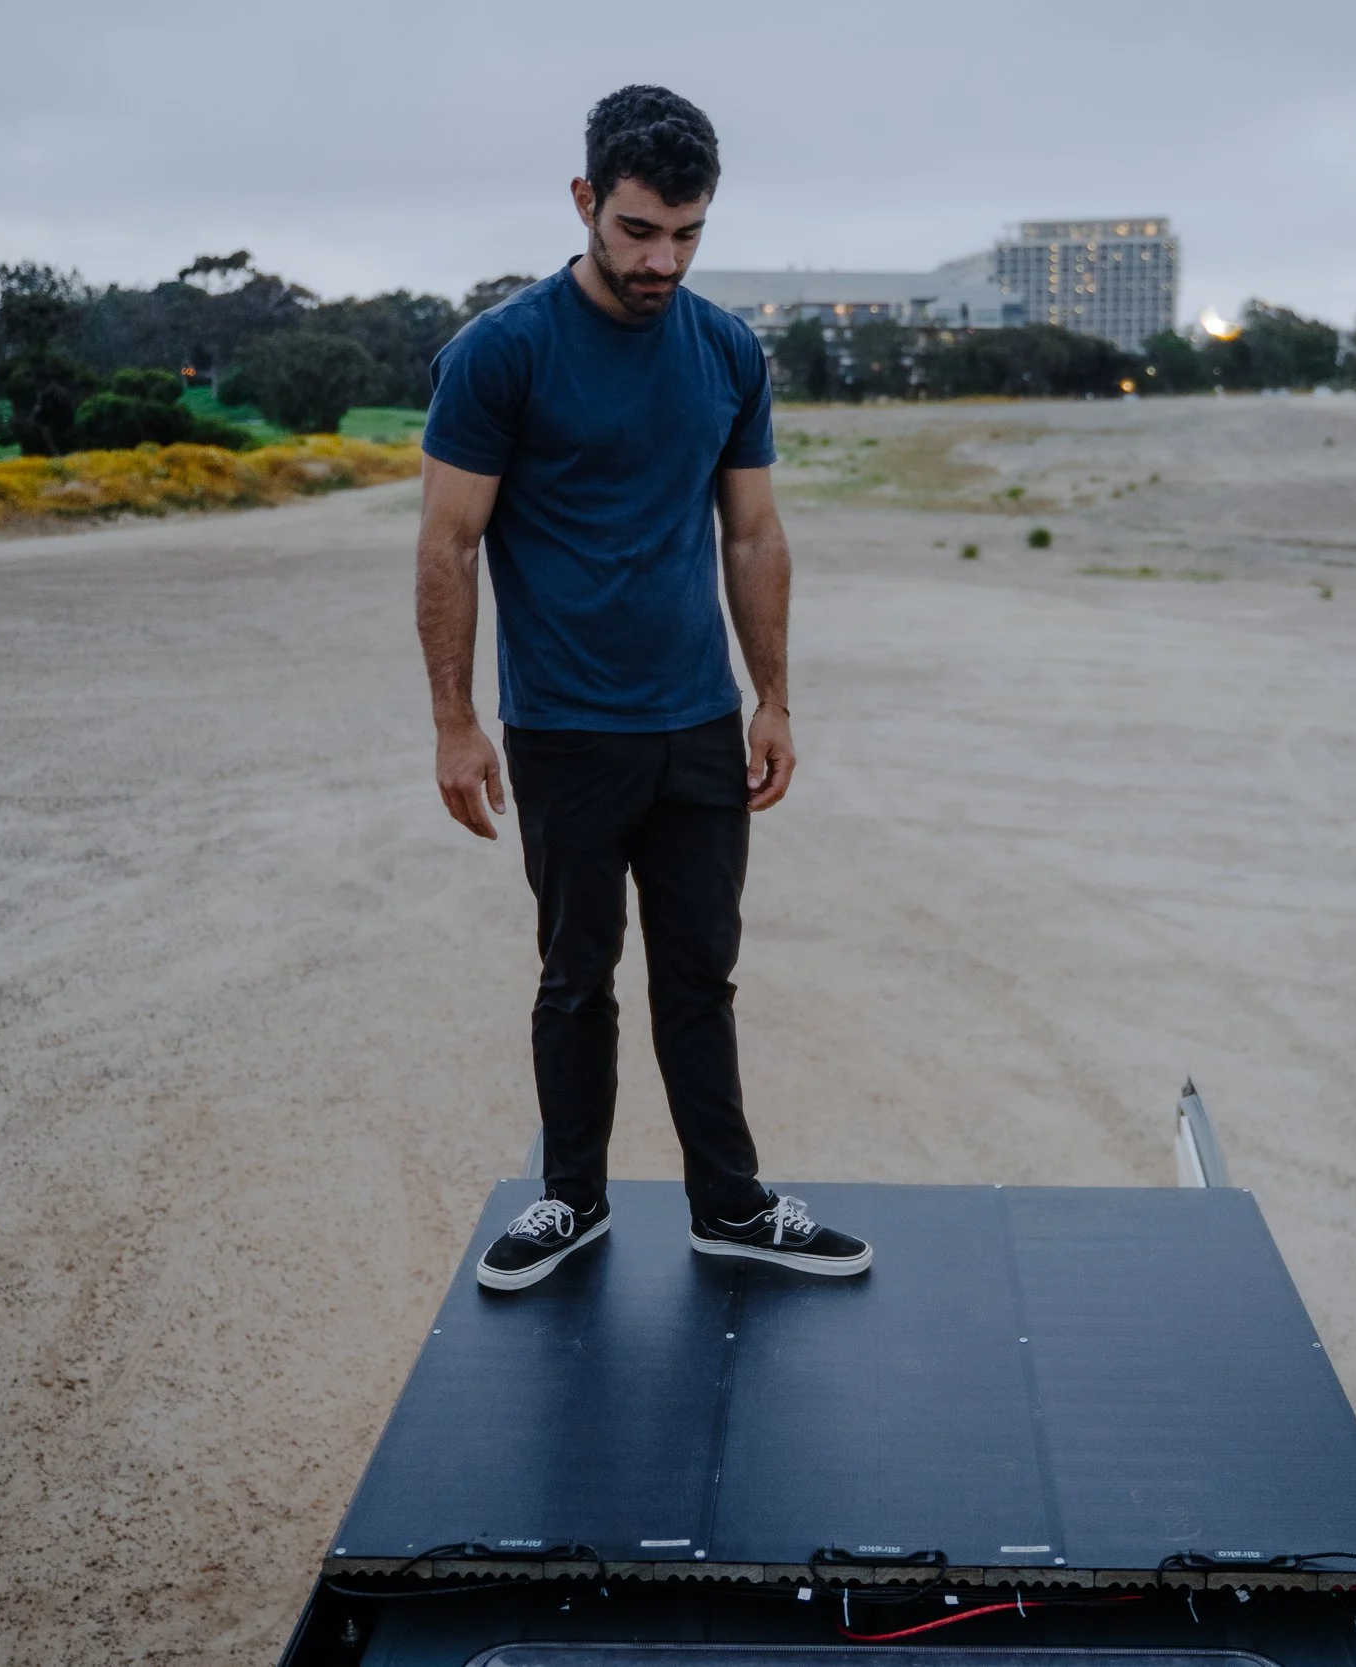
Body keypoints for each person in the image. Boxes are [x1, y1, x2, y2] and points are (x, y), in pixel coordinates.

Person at [416, 85, 872, 1293]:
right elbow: (448, 542)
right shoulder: (500, 352)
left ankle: (728, 1203)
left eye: (686, 235)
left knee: (700, 974)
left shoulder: (725, 348)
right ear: (584, 203)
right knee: (576, 975)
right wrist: (456, 721)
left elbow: (754, 534)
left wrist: (771, 697)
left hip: (697, 725)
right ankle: (571, 1200)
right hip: (565, 726)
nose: (660, 259)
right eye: (636, 231)